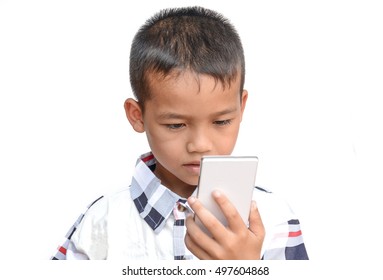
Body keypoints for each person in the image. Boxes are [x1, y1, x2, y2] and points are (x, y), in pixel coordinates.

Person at [51, 6, 308, 260]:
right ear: (137, 116)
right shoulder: (103, 222)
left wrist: (245, 269)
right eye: (175, 125)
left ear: (241, 108)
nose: (200, 144)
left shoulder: (274, 219)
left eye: (220, 121)